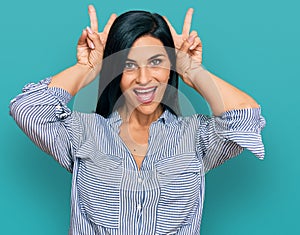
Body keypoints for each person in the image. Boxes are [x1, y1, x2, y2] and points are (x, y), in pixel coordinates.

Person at [9, 4, 265, 235]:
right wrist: (88, 67)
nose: (143, 79)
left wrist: (191, 69)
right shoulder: (82, 132)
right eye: (129, 65)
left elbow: (245, 116)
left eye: (156, 62)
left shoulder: (197, 136)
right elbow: (28, 108)